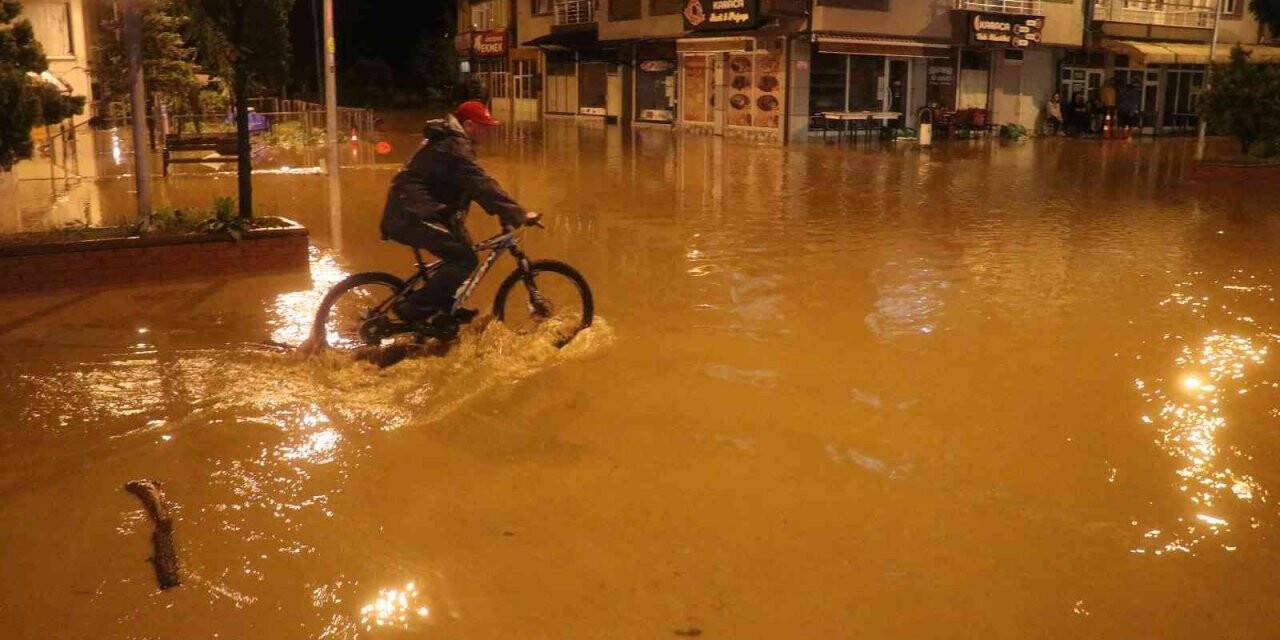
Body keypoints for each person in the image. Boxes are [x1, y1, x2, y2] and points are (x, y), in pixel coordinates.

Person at [380, 100, 540, 329]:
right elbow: (480, 184)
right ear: (469, 125)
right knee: (464, 260)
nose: (488, 132)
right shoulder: (454, 147)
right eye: (484, 127)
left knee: (462, 247)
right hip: (413, 213)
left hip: (420, 209)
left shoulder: (449, 141)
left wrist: (503, 212)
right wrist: (518, 213)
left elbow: (469, 186)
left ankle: (444, 309)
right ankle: (413, 307)